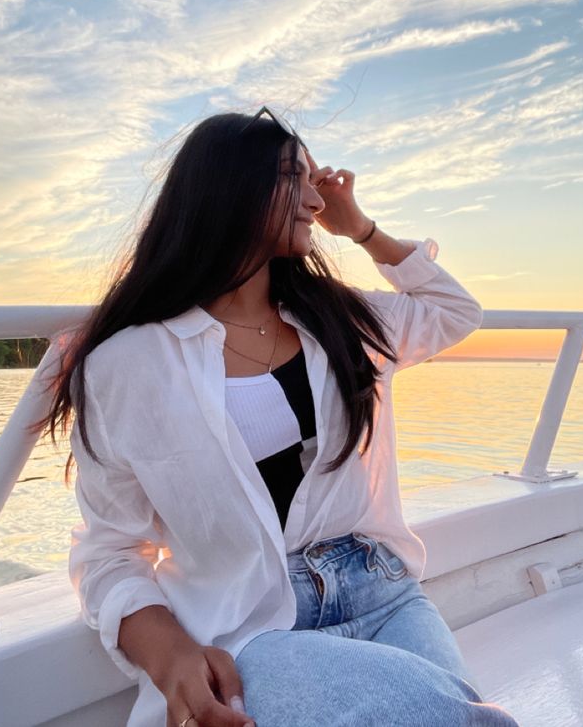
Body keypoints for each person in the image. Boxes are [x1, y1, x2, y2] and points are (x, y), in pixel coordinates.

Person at [39, 108, 521, 727]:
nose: (315, 201)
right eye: (294, 179)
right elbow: (110, 552)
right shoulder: (129, 363)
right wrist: (171, 656)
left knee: (460, 717)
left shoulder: (343, 320)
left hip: (384, 589)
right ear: (230, 187)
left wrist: (364, 229)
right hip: (255, 623)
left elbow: (455, 311)